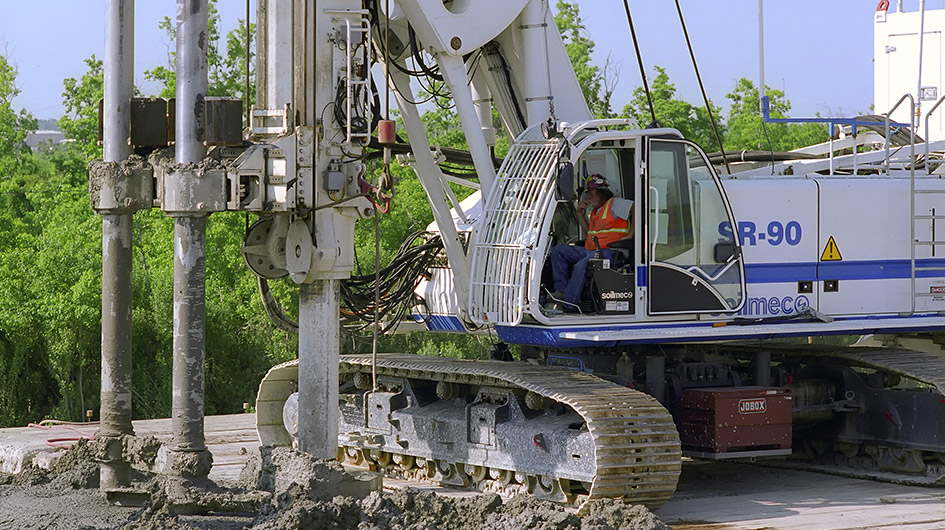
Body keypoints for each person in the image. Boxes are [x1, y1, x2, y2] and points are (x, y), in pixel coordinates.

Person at [547, 174, 634, 311]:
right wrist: (580, 214)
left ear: (601, 193)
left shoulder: (615, 204)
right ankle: (561, 292)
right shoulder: (595, 211)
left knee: (584, 264)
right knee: (559, 251)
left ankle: (569, 304)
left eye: (590, 193)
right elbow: (590, 233)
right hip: (591, 250)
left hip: (611, 251)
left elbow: (636, 208)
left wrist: (630, 235)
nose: (587, 197)